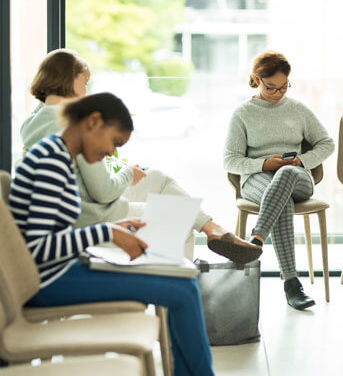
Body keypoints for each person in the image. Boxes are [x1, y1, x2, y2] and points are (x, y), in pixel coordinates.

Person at [10, 92, 214, 376]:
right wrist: (105, 232)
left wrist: (112, 229)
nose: (111, 153)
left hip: (59, 270)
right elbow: (38, 248)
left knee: (182, 280)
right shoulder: (51, 162)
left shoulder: (56, 153)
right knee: (182, 288)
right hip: (48, 280)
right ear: (93, 122)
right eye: (114, 142)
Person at [21, 48, 261, 264]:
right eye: (84, 82)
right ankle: (178, 290)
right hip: (97, 215)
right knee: (182, 219)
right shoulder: (74, 125)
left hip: (88, 206)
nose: (86, 90)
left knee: (156, 178)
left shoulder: (32, 122)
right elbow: (103, 192)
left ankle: (213, 228)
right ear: (68, 81)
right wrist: (127, 174)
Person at [223, 50, 335, 310]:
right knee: (278, 197)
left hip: (297, 177)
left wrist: (301, 161)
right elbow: (230, 160)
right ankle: (292, 284)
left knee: (283, 176)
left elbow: (326, 143)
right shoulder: (243, 113)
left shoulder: (298, 109)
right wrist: (263, 163)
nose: (278, 93)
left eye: (284, 87)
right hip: (256, 179)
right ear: (256, 79)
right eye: (272, 87)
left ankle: (256, 240)